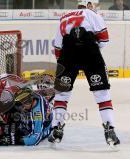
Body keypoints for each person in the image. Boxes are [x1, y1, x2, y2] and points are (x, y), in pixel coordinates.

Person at [48, 0, 120, 146]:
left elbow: (57, 47)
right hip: (90, 53)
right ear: (89, 5)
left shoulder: (64, 17)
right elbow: (104, 39)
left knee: (62, 94)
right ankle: (109, 130)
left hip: (67, 56)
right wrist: (91, 51)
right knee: (102, 93)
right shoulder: (91, 14)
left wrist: (63, 65)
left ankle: (56, 129)